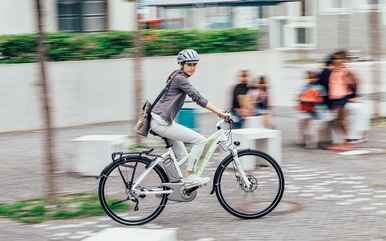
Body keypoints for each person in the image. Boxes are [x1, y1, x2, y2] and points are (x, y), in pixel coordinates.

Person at [150, 49, 231, 188]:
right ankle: (190, 176)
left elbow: (195, 98)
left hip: (161, 120)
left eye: (194, 65)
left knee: (182, 156)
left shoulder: (178, 76)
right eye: (189, 64)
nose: (192, 68)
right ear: (182, 64)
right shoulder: (180, 79)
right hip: (162, 122)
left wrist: (218, 111)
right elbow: (198, 98)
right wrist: (219, 113)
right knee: (200, 140)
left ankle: (169, 183)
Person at [325, 51, 357, 151]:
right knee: (337, 120)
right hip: (334, 97)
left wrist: (352, 95)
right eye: (335, 59)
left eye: (339, 58)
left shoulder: (345, 70)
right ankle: (343, 141)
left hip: (342, 97)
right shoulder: (334, 70)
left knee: (340, 120)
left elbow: (354, 83)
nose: (337, 61)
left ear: (344, 60)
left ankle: (346, 142)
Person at [296, 71, 330, 147]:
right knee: (304, 122)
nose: (312, 79)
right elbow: (297, 98)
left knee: (322, 124)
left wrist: (308, 99)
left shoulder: (321, 87)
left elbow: (323, 99)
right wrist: (307, 100)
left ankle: (321, 140)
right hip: (307, 109)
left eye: (314, 77)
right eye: (310, 77)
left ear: (318, 78)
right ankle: (305, 138)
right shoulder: (303, 87)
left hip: (319, 109)